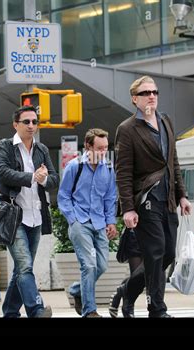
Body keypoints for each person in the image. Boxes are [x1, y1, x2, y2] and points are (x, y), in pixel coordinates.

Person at [114, 75, 191, 318]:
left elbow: (173, 162)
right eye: (146, 93)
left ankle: (127, 290)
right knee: (155, 252)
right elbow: (123, 172)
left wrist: (182, 195)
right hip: (146, 201)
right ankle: (156, 309)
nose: (152, 96)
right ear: (135, 99)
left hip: (168, 199)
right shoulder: (127, 129)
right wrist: (128, 208)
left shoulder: (165, 120)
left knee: (167, 254)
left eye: (155, 92)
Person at [0, 105, 59, 318]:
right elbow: (2, 173)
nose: (31, 126)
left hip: (37, 217)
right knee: (24, 266)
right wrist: (31, 176)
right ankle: (36, 310)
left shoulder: (42, 149)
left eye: (34, 122)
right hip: (14, 217)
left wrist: (44, 179)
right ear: (16, 124)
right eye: (26, 122)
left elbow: (54, 178)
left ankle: (10, 312)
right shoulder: (4, 146)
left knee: (22, 269)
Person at [57, 128, 118, 318]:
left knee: (102, 266)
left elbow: (110, 198)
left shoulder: (108, 169)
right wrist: (72, 219)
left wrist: (111, 222)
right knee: (89, 266)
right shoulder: (74, 167)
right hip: (80, 222)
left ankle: (76, 290)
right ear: (87, 146)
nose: (102, 152)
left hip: (99, 223)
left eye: (106, 148)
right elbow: (63, 196)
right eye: (99, 148)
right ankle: (89, 311)